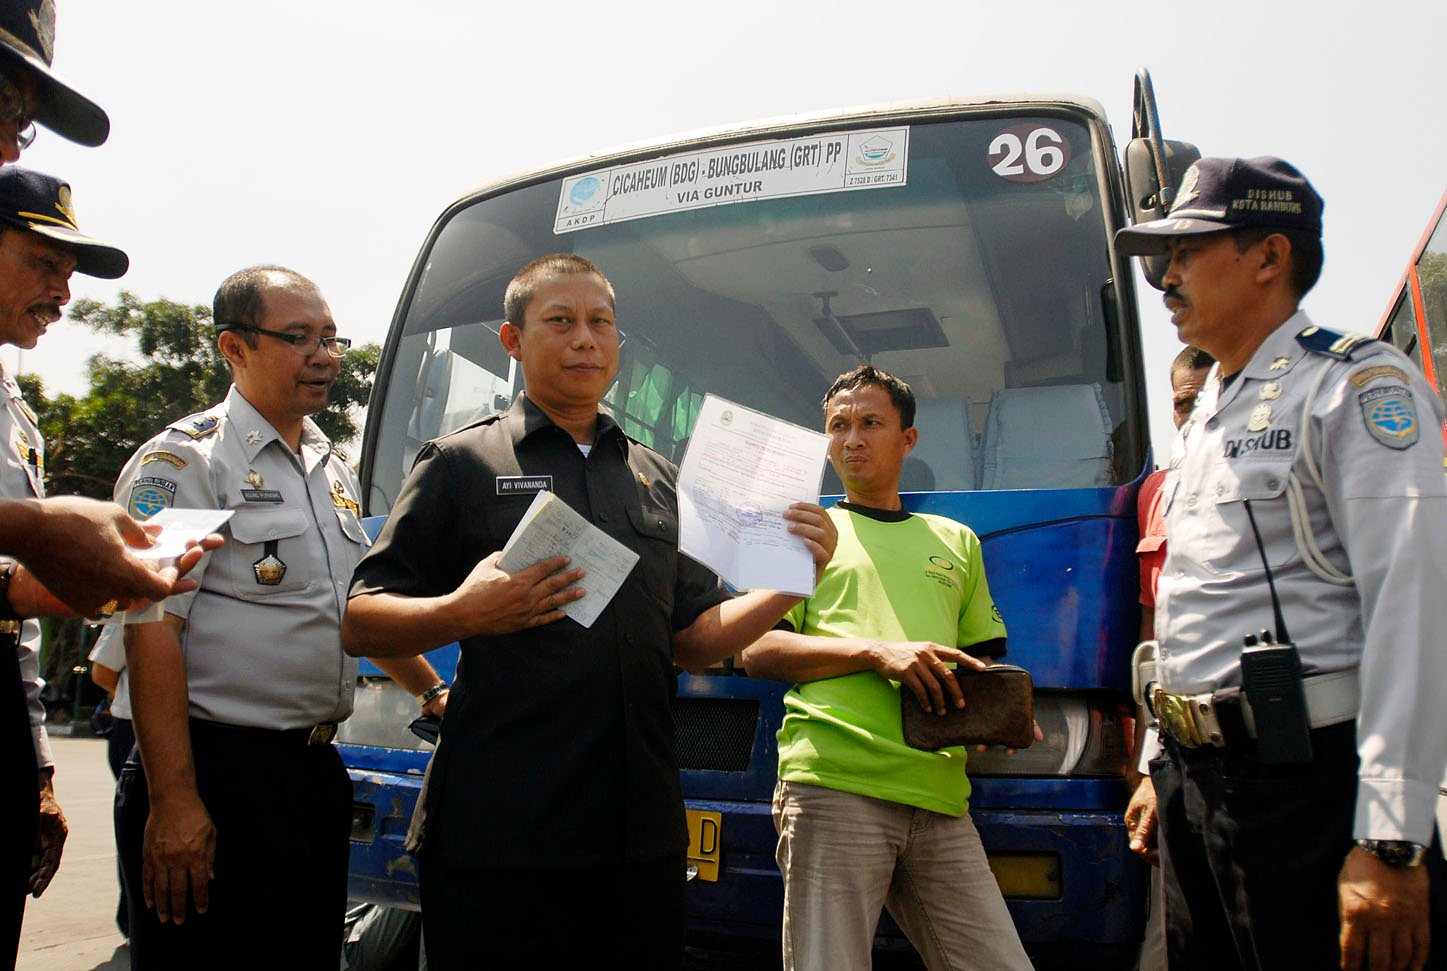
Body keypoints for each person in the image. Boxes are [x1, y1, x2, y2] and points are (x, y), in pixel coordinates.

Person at [342, 253, 837, 970]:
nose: (585, 339)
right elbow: (360, 619)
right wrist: (463, 609)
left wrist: (792, 583)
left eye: (600, 322)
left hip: (636, 841)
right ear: (513, 341)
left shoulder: (658, 476)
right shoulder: (461, 461)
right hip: (500, 836)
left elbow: (695, 640)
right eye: (561, 321)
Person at [1115, 156, 1447, 971]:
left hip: (1304, 789)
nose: (1165, 278)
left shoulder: (1354, 386)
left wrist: (1390, 837)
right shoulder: (1206, 416)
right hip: (1199, 788)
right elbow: (1197, 610)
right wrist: (1164, 759)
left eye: (1186, 253)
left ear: (1268, 257)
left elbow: (1413, 606)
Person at [114, 266, 447, 969]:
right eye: (298, 338)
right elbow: (152, 630)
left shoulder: (329, 466)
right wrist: (174, 801)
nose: (324, 355)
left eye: (330, 337)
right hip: (214, 772)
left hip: (312, 774)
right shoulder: (184, 461)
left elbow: (342, 612)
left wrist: (431, 691)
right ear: (234, 348)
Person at [739, 364, 1033, 971]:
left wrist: (998, 718)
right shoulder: (806, 533)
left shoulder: (957, 540)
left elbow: (978, 661)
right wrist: (875, 652)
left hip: (940, 795)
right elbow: (756, 651)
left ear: (908, 439)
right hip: (833, 784)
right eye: (838, 426)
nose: (852, 440)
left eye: (871, 423)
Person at [1126, 344, 1214, 971]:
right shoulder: (1154, 492)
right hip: (1175, 737)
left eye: (1206, 398)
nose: (1192, 415)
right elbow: (1154, 635)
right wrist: (1149, 761)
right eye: (1182, 403)